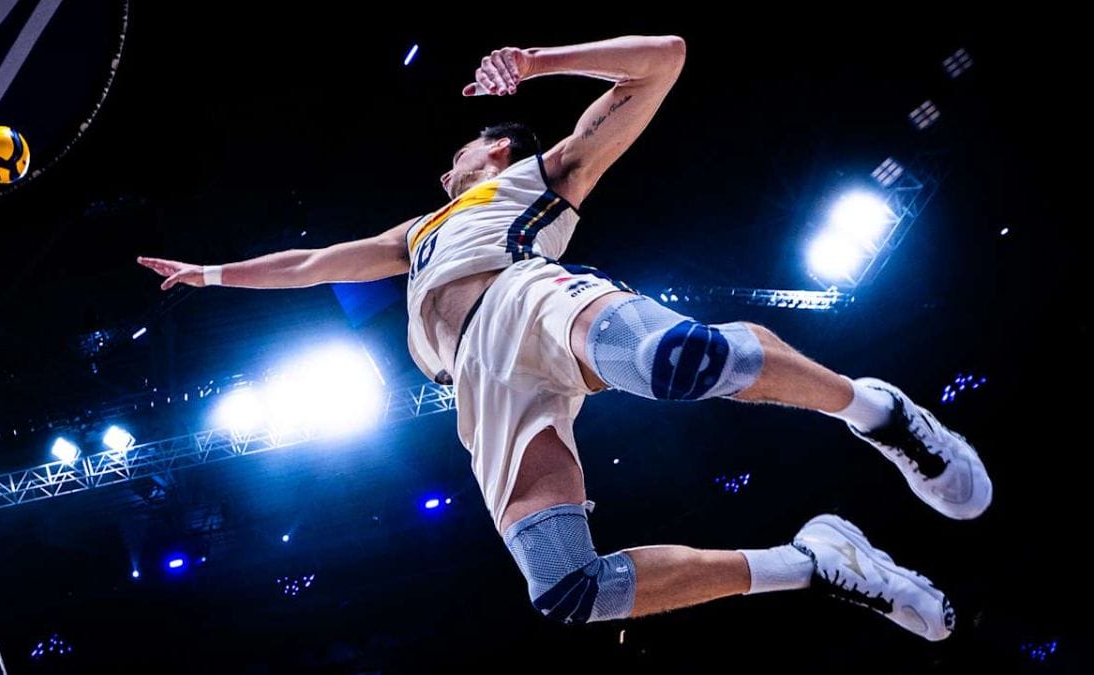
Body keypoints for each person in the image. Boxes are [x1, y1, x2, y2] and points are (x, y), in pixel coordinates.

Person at [139, 35, 991, 640]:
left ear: (500, 145)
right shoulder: (417, 230)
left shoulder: (533, 177)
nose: (444, 169)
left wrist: (539, 62)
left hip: (526, 298)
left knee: (685, 360)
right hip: (476, 385)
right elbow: (315, 263)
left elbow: (666, 59)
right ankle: (815, 562)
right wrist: (210, 275)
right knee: (568, 589)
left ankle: (878, 412)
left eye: (459, 155)